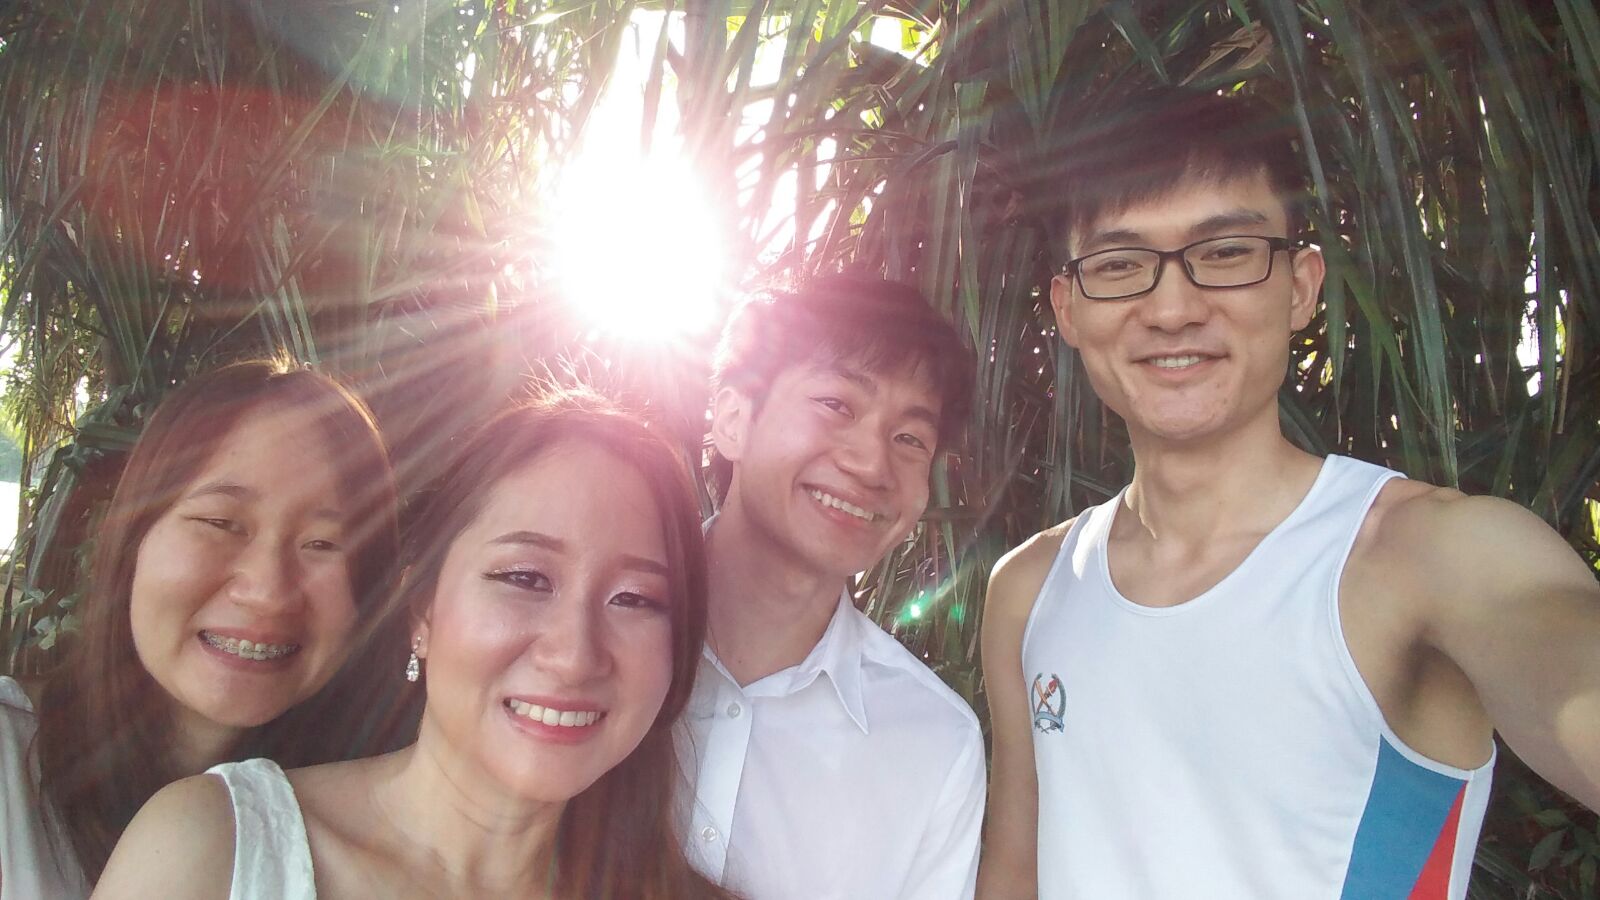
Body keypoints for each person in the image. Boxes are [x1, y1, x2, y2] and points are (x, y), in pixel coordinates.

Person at [978, 86, 1600, 899]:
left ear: (1301, 286)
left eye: (1225, 252)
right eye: (1120, 265)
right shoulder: (1029, 589)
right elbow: (1015, 875)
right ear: (1068, 308)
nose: (1172, 309)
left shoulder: (1424, 555)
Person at [95, 390, 737, 899]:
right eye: (524, 578)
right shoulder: (214, 848)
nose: (574, 656)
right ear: (421, 609)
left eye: (635, 599)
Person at [0, 359, 400, 899]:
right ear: (131, 540)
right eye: (220, 523)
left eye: (323, 543)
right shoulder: (10, 769)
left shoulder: (390, 837)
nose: (268, 591)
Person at [683, 276, 986, 898]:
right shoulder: (597, 651)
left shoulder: (936, 743)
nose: (872, 465)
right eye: (836, 405)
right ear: (734, 418)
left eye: (910, 439)